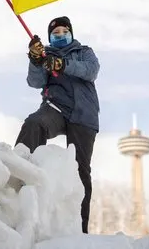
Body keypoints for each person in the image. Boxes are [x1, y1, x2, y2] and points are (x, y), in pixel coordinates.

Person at [14, 16, 100, 234]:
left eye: (64, 31)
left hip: (83, 114)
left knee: (81, 170)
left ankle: (80, 229)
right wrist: (35, 61)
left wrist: (63, 65)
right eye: (55, 33)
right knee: (34, 123)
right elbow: (35, 82)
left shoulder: (84, 52)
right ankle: (18, 179)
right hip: (56, 108)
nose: (60, 35)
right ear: (50, 37)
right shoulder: (46, 56)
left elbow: (91, 70)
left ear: (71, 32)